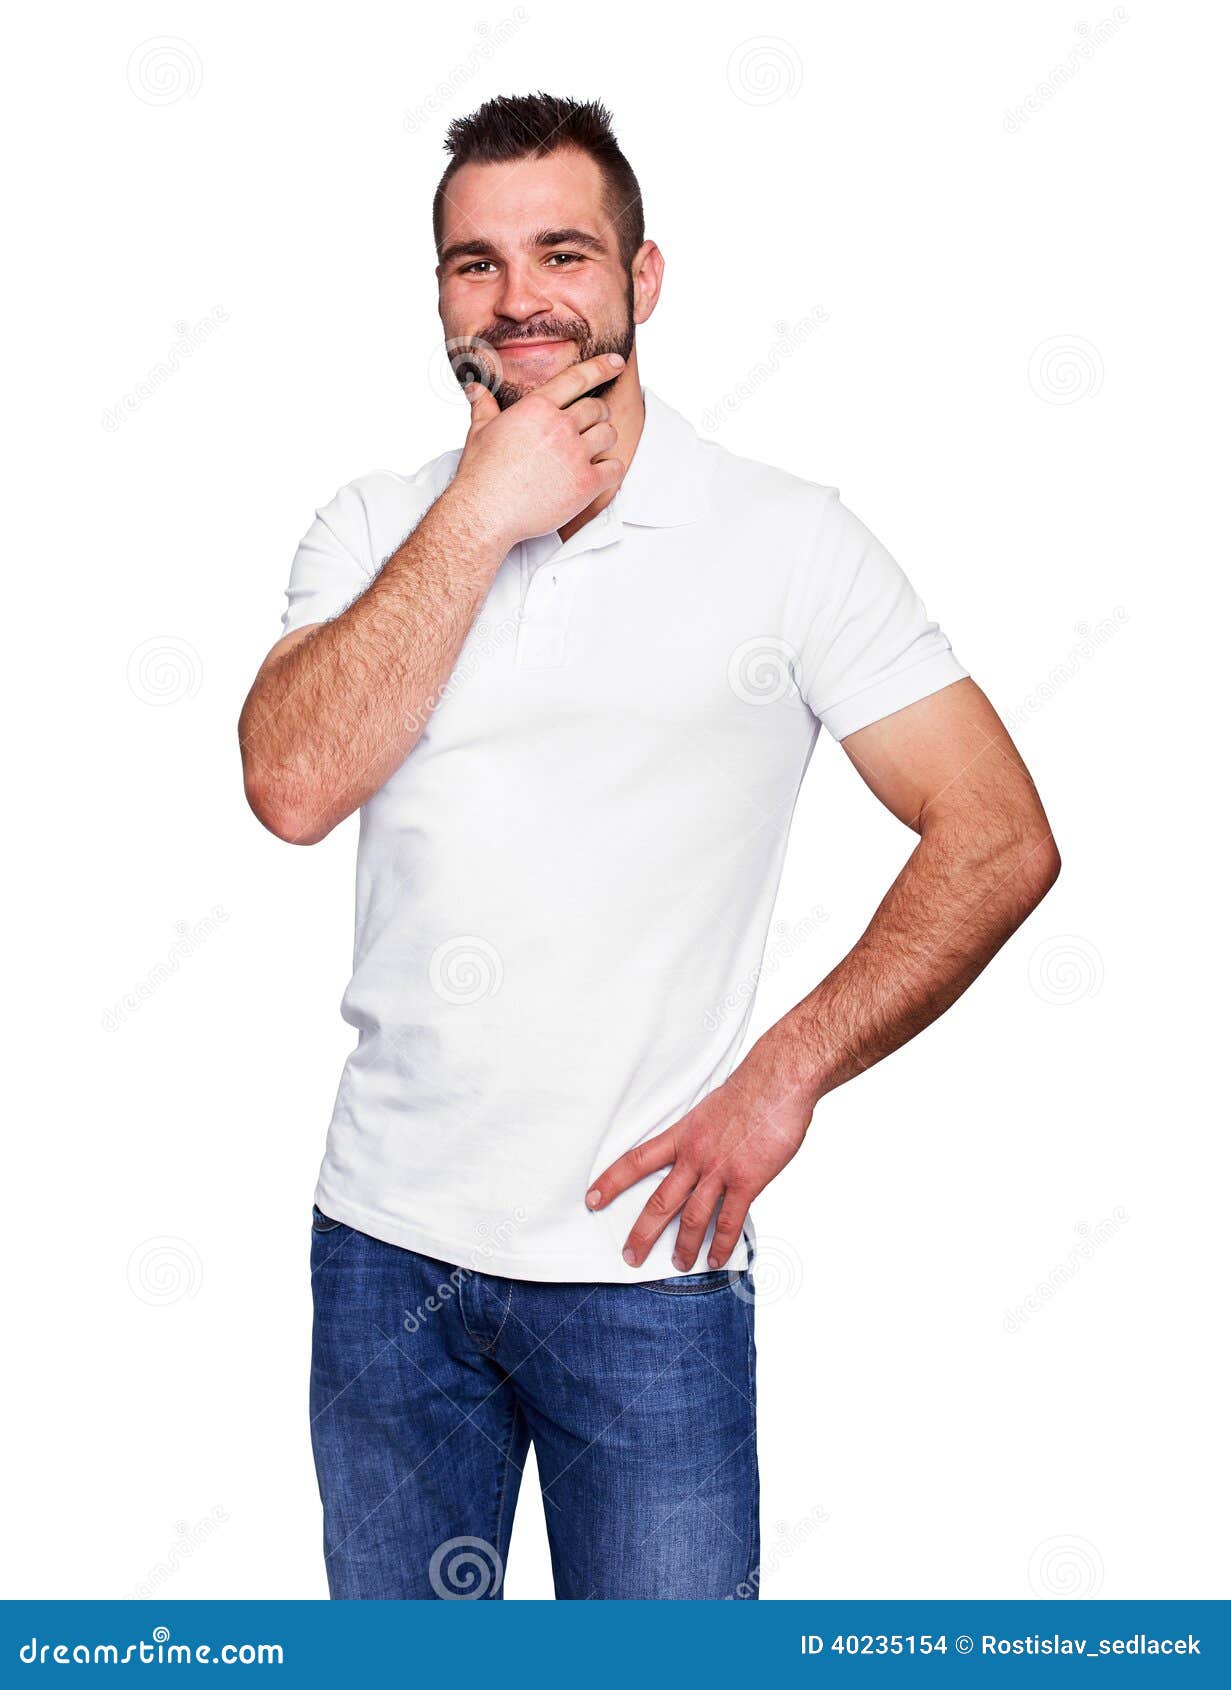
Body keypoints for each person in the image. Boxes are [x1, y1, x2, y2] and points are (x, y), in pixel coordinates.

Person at [238, 93, 1060, 1601]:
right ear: (437, 296)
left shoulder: (786, 537)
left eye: (562, 252)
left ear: (643, 278)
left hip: (647, 1276)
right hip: (384, 1256)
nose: (521, 297)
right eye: (474, 264)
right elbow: (293, 784)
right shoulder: (374, 526)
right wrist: (487, 506)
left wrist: (787, 1068)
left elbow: (998, 834)